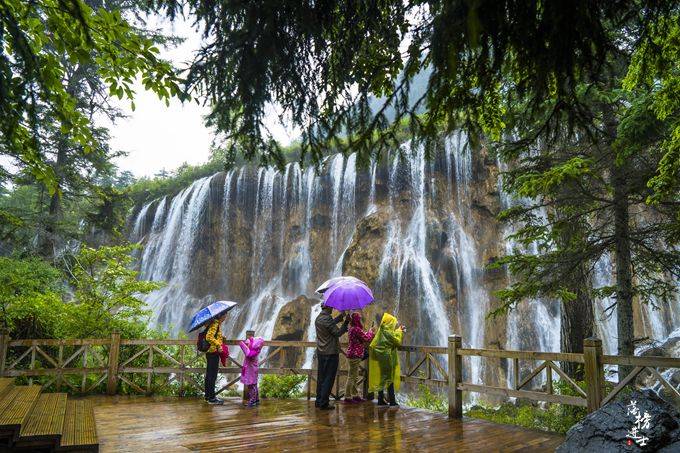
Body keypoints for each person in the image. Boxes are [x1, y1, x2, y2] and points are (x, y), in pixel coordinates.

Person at [314, 302, 349, 410]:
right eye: (332, 307)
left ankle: (318, 400)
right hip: (330, 353)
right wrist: (346, 322)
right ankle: (324, 403)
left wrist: (341, 316)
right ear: (328, 307)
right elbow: (337, 333)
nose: (333, 309)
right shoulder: (327, 319)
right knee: (329, 378)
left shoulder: (319, 318)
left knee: (321, 378)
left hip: (321, 352)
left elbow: (330, 325)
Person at [368, 313, 404, 407]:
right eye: (393, 322)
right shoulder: (388, 332)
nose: (394, 324)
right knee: (389, 378)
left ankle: (380, 399)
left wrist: (397, 330)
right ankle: (392, 401)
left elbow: (388, 337)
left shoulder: (382, 331)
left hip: (381, 357)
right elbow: (397, 342)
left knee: (383, 378)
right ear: (389, 323)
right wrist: (400, 331)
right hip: (387, 357)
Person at [344, 312, 375, 403]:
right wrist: (371, 332)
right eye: (359, 318)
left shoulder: (352, 328)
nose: (360, 320)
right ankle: (347, 396)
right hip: (355, 355)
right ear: (357, 320)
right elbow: (367, 338)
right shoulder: (356, 329)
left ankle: (355, 395)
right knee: (352, 376)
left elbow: (361, 336)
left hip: (352, 354)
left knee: (354, 376)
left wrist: (367, 332)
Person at [204, 314, 227, 405]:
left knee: (209, 374)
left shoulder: (214, 324)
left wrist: (221, 338)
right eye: (225, 315)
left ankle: (208, 396)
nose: (226, 317)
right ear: (221, 316)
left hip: (210, 352)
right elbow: (209, 337)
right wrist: (218, 345)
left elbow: (214, 335)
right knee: (212, 375)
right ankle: (212, 398)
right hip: (213, 352)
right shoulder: (215, 324)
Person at [239, 331, 264, 407]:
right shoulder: (255, 350)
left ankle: (252, 400)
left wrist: (242, 344)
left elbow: (247, 353)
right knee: (254, 384)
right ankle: (256, 400)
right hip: (251, 370)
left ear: (254, 345)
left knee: (251, 385)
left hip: (251, 371)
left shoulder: (253, 352)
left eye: (249, 343)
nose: (247, 344)